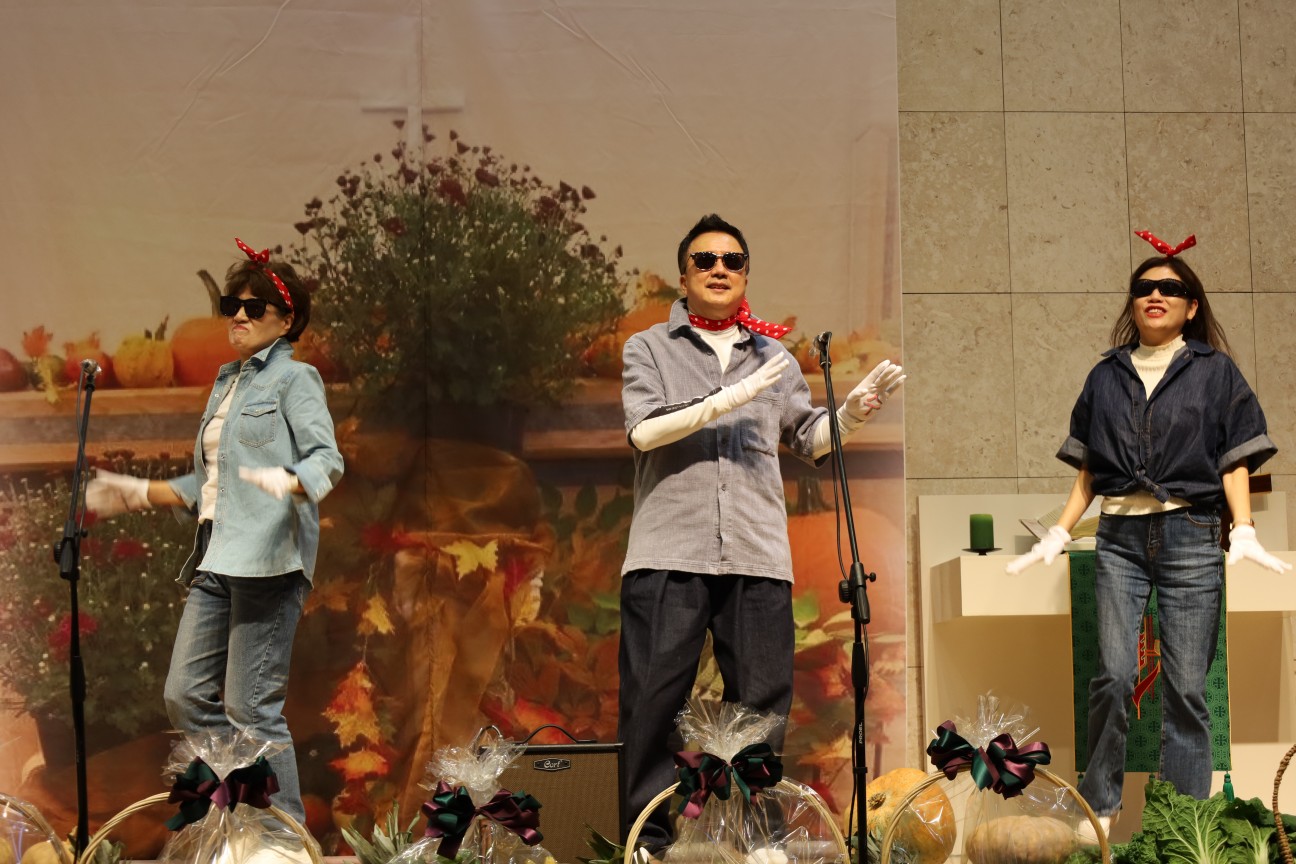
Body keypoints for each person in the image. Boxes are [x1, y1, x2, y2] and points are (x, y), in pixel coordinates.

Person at [618, 213, 904, 854]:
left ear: (746, 275)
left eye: (733, 261)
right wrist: (727, 398)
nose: (720, 269)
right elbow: (644, 431)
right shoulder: (649, 348)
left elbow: (810, 439)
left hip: (756, 554)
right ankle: (646, 842)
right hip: (669, 549)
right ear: (685, 275)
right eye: (706, 260)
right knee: (651, 703)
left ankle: (758, 839)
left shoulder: (774, 358)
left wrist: (853, 413)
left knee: (761, 709)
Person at [1006, 230, 1290, 836]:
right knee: (1112, 675)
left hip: (1191, 532)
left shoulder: (1215, 372)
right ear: (1132, 302)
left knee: (1186, 689)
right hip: (1119, 539)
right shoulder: (1106, 375)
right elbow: (1090, 469)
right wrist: (1058, 531)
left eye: (1170, 288)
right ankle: (1100, 809)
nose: (1155, 294)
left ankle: (1180, 821)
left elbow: (1234, 458)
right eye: (1144, 287)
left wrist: (1242, 527)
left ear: (1191, 306)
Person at [86, 238, 344, 826]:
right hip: (215, 558)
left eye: (254, 308)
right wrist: (135, 492)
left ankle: (283, 838)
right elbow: (212, 483)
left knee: (251, 710)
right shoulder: (226, 384)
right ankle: (244, 809)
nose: (239, 317)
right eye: (233, 306)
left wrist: (290, 481)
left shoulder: (295, 379)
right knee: (184, 695)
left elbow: (327, 460)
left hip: (268, 563)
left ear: (286, 320)